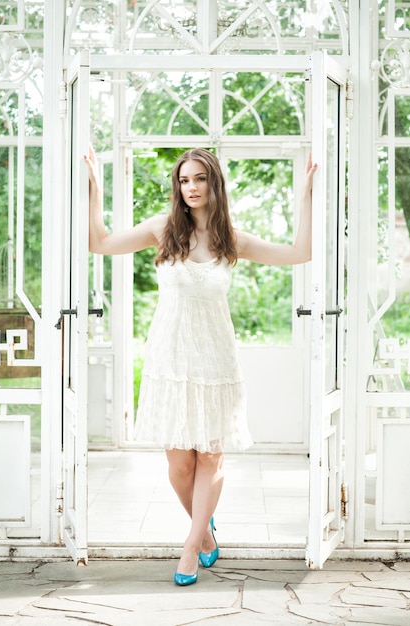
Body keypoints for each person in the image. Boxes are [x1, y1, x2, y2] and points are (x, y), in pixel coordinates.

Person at [85, 146, 317, 586]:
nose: (190, 187)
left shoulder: (231, 238)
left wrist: (306, 194)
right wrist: (94, 187)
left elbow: (300, 252)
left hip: (215, 359)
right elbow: (99, 242)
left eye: (199, 179)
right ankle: (206, 532)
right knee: (180, 465)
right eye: (184, 180)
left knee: (211, 453)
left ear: (214, 183)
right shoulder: (162, 229)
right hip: (169, 357)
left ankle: (191, 545)